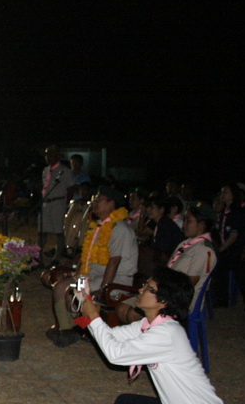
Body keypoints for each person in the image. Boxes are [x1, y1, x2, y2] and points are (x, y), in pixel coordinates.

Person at [78, 268, 229, 404]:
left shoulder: (167, 333)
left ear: (163, 300)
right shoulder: (149, 325)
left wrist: (93, 316)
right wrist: (84, 309)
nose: (141, 290)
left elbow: (115, 355)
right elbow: (110, 336)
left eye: (149, 288)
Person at [47, 186, 137, 347]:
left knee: (74, 291)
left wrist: (104, 288)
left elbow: (114, 262)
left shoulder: (120, 229)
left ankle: (77, 329)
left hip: (115, 280)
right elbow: (86, 255)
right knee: (60, 286)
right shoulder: (98, 226)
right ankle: (67, 328)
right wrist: (76, 273)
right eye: (95, 199)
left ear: (112, 204)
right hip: (93, 275)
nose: (94, 202)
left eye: (99, 199)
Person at [117, 202, 217, 323]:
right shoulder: (186, 244)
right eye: (184, 220)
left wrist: (158, 293)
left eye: (188, 221)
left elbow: (189, 284)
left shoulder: (204, 250)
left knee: (133, 314)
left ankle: (152, 333)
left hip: (177, 299)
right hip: (165, 292)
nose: (184, 224)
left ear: (201, 225)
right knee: (122, 307)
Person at [38, 145, 72, 262]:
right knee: (42, 230)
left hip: (58, 202)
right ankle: (38, 255)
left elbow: (71, 188)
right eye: (47, 155)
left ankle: (57, 256)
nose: (48, 158)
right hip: (46, 202)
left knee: (58, 231)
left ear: (57, 156)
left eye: (51, 155)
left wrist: (67, 204)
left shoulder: (65, 171)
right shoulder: (45, 170)